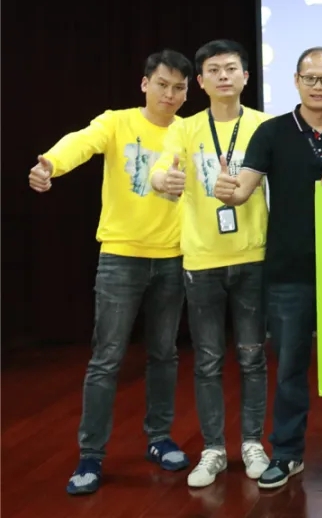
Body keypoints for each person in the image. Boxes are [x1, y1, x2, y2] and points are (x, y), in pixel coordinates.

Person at [30, 50, 193, 496]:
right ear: (145, 84)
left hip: (174, 257)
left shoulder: (188, 131)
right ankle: (91, 455)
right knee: (106, 358)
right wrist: (50, 164)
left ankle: (159, 438)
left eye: (179, 88)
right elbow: (80, 142)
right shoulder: (116, 122)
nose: (170, 94)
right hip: (121, 255)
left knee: (164, 354)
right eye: (162, 84)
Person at [213, 47, 322, 489]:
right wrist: (228, 191)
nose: (318, 86)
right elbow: (242, 189)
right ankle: (286, 454)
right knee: (289, 369)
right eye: (310, 78)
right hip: (288, 271)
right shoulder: (272, 131)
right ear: (296, 81)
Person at [150, 39, 271, 488]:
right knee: (206, 360)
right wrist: (163, 180)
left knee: (253, 357)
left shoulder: (265, 125)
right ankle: (214, 449)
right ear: (200, 82)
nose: (223, 76)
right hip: (201, 259)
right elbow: (161, 169)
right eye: (214, 70)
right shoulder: (185, 129)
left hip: (253, 256)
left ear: (246, 76)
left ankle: (253, 443)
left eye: (231, 68)